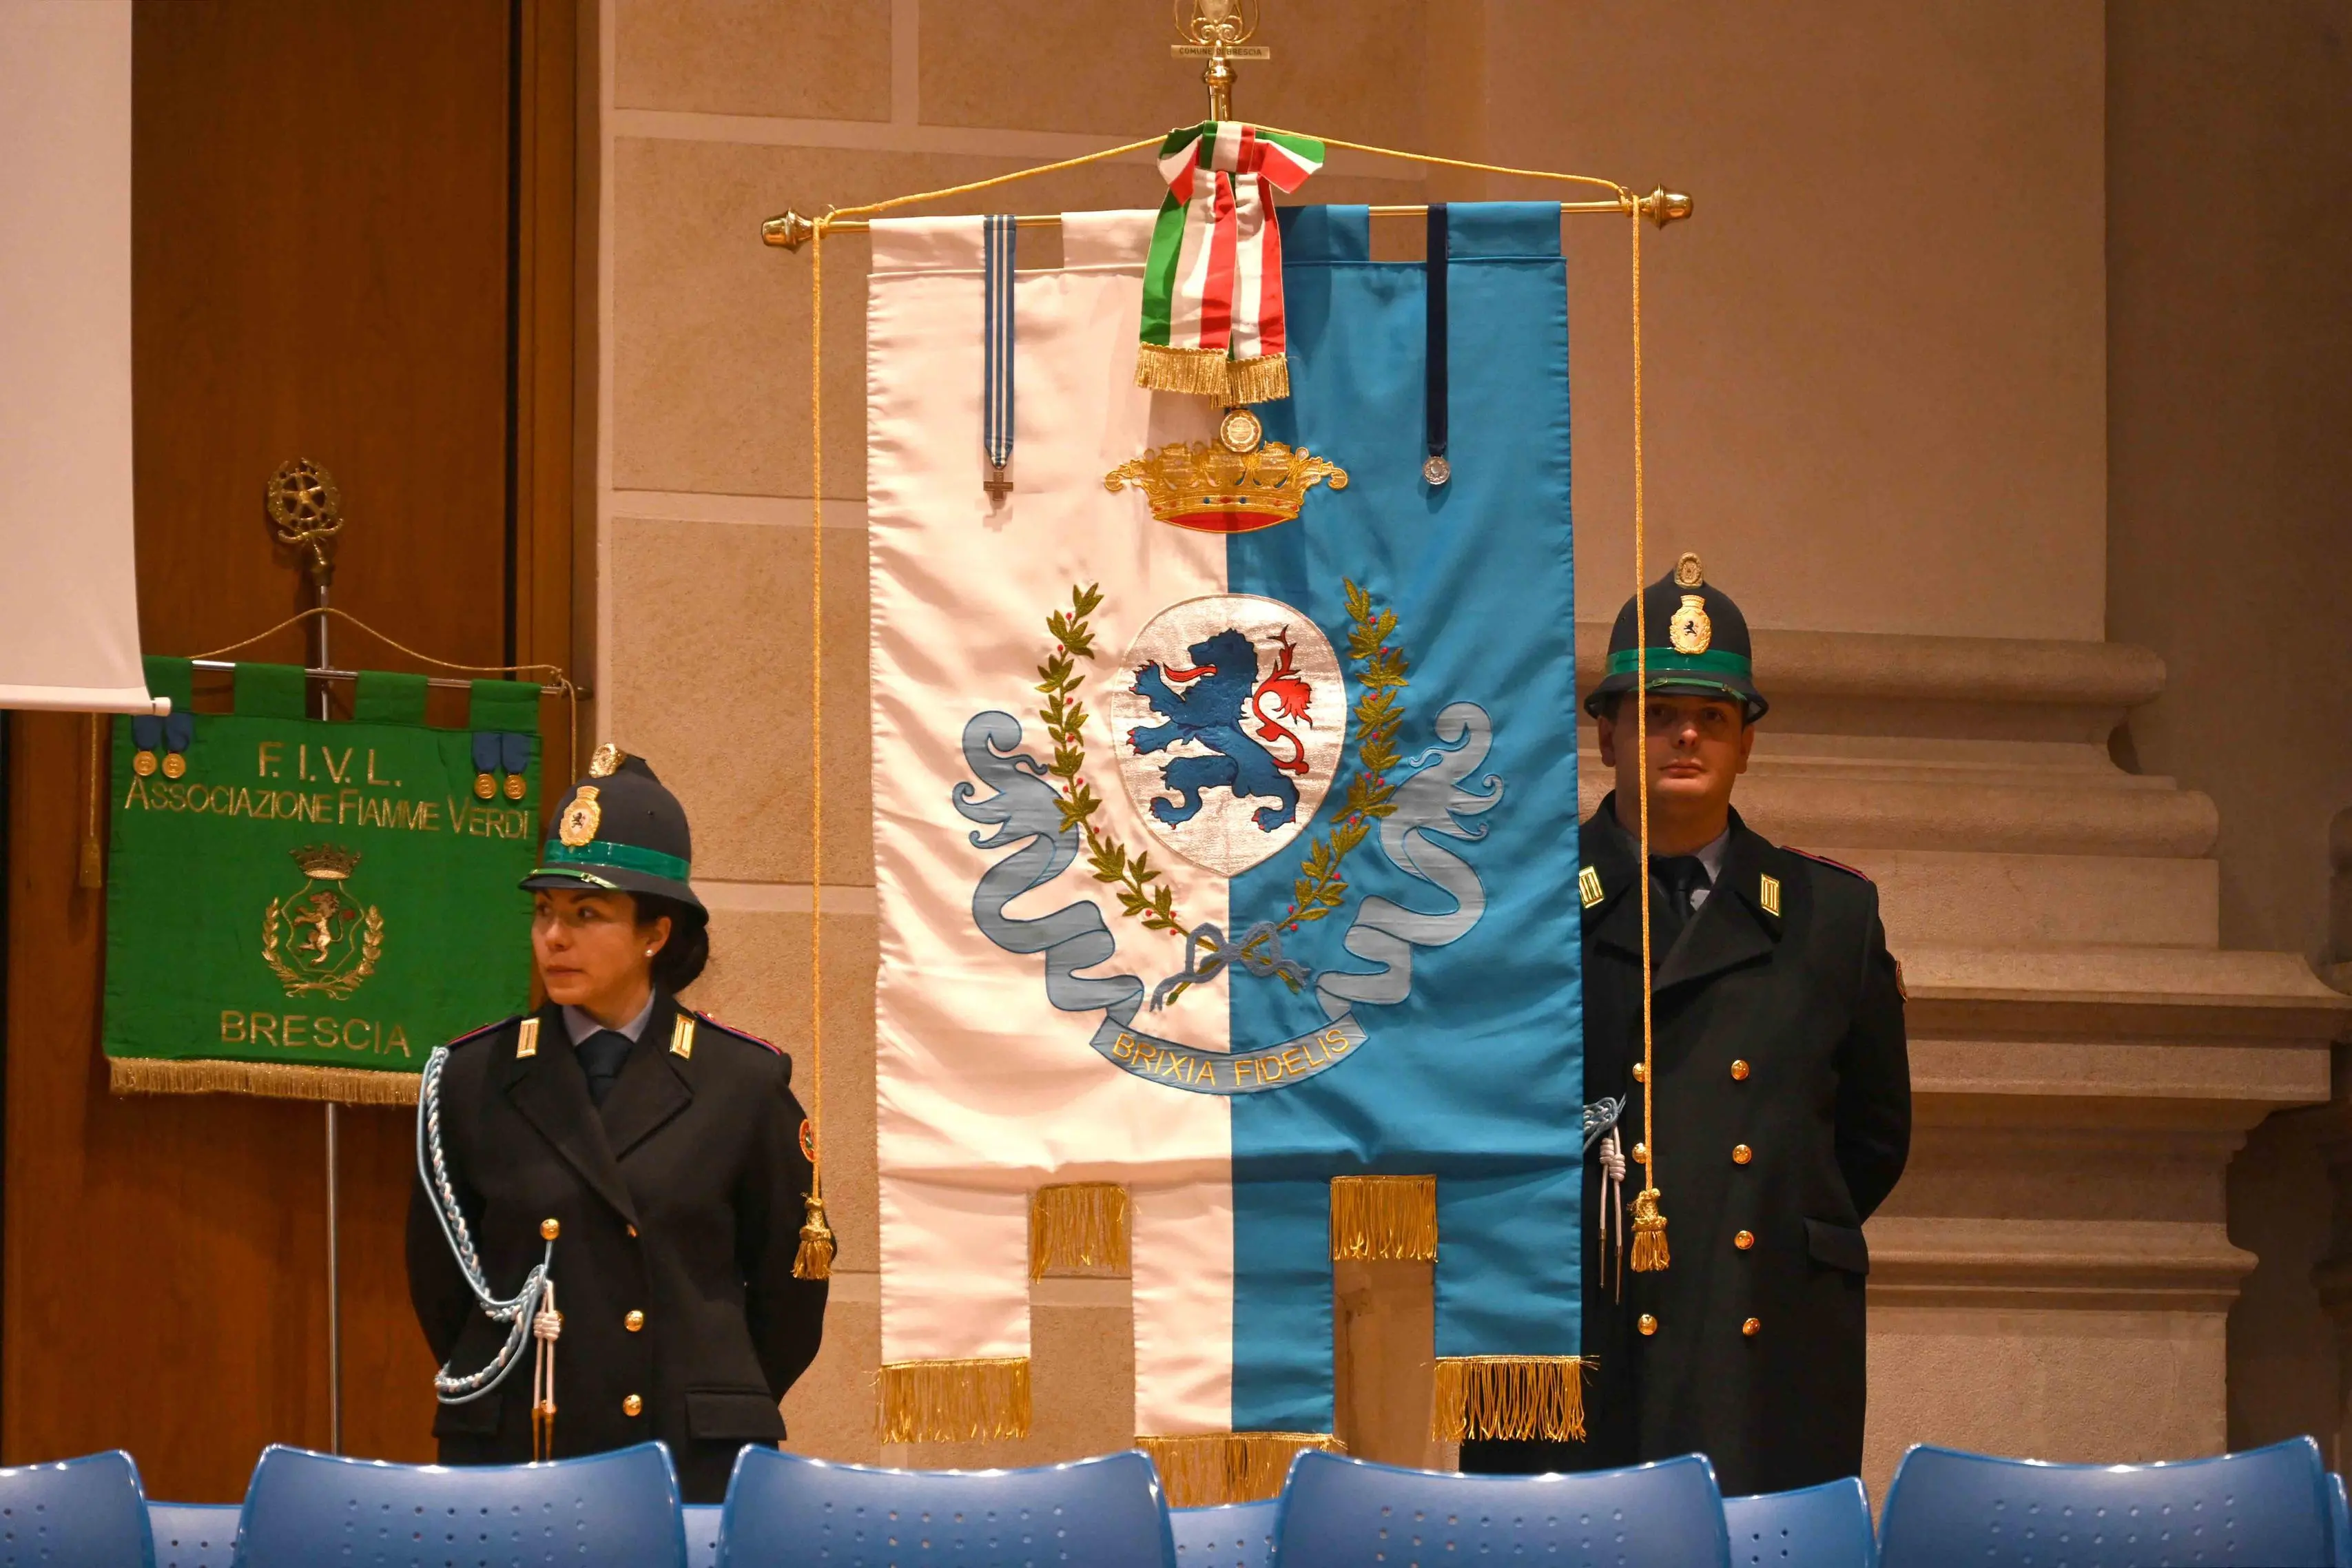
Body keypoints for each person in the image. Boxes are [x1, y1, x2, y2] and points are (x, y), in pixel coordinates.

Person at [1462, 554, 1910, 1494]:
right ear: (1606, 735)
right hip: (1570, 1328)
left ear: (1746, 742)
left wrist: (1749, 1219)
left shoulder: (1830, 917)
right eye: (1658, 713)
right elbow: (1469, 1114)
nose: (1686, 736)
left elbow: (1871, 1139)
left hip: (1759, 1333)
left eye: (1712, 716)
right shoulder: (1519, 904)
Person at [407, 744, 827, 1502]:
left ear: (655, 933)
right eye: (545, 911)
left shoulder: (742, 1083)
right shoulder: (474, 1077)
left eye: (586, 914)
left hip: (682, 1454)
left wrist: (709, 1395)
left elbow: (789, 1296)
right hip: (523, 1441)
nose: (554, 937)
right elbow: (441, 1281)